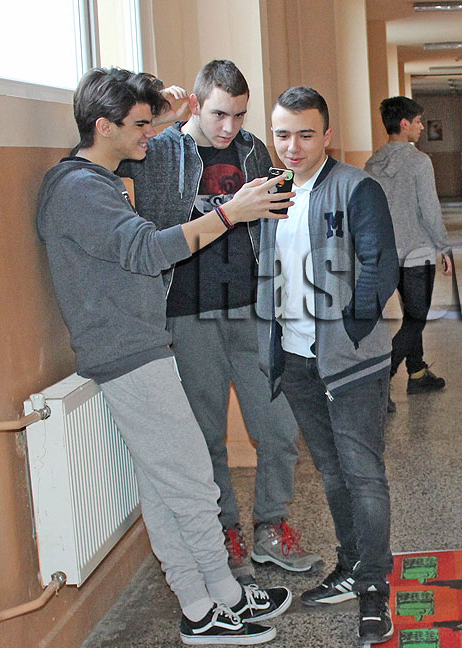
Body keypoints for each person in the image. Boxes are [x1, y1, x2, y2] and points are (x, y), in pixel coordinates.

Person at [37, 67, 294, 645]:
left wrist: (162, 113)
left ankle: (209, 599)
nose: (149, 134)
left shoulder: (94, 180)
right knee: (193, 481)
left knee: (163, 486)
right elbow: (150, 251)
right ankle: (211, 605)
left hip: (139, 344)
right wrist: (231, 214)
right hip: (127, 351)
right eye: (139, 125)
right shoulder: (78, 188)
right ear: (103, 127)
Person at [116, 59, 317, 582]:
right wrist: (157, 118)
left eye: (239, 114)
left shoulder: (252, 150)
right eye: (219, 114)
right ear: (196, 105)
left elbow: (272, 221)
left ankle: (271, 526)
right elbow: (107, 161)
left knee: (278, 427)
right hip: (188, 311)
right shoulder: (161, 150)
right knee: (206, 434)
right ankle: (225, 530)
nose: (230, 127)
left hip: (252, 308)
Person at [257, 86, 399, 645]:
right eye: (282, 134)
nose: (292, 146)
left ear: (327, 135)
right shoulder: (270, 192)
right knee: (333, 472)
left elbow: (380, 264)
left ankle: (374, 589)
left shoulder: (356, 188)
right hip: (295, 360)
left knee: (363, 474)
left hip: (351, 361)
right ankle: (351, 564)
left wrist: (351, 330)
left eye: (305, 134)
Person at [364, 96, 453, 412]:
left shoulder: (372, 163)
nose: (421, 127)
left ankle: (417, 372)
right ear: (404, 124)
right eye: (417, 122)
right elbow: (429, 210)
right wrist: (443, 246)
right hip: (417, 254)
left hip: (386, 254)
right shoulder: (419, 161)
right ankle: (380, 379)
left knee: (410, 315)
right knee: (416, 319)